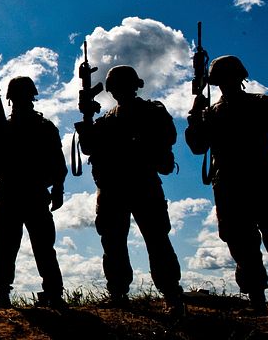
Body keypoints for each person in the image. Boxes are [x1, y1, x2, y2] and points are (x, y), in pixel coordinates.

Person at [186, 55, 268, 321]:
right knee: (242, 247)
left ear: (240, 77)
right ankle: (259, 303)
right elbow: (198, 146)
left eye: (229, 78)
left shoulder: (262, 104)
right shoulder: (211, 113)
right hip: (232, 187)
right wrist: (195, 114)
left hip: (263, 182)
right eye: (222, 80)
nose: (226, 84)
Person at [75, 65, 185, 315]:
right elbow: (89, 148)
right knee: (112, 241)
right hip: (112, 186)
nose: (118, 91)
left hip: (142, 182)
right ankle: (118, 293)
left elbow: (167, 136)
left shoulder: (151, 111)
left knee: (157, 239)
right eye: (115, 86)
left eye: (122, 85)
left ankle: (171, 294)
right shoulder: (106, 118)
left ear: (134, 86)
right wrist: (87, 118)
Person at [0, 76, 66, 310]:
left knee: (41, 245)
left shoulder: (44, 127)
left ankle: (53, 292)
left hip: (33, 190)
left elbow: (57, 162)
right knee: (6, 246)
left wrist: (58, 187)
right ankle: (2, 291)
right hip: (12, 190)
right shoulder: (3, 125)